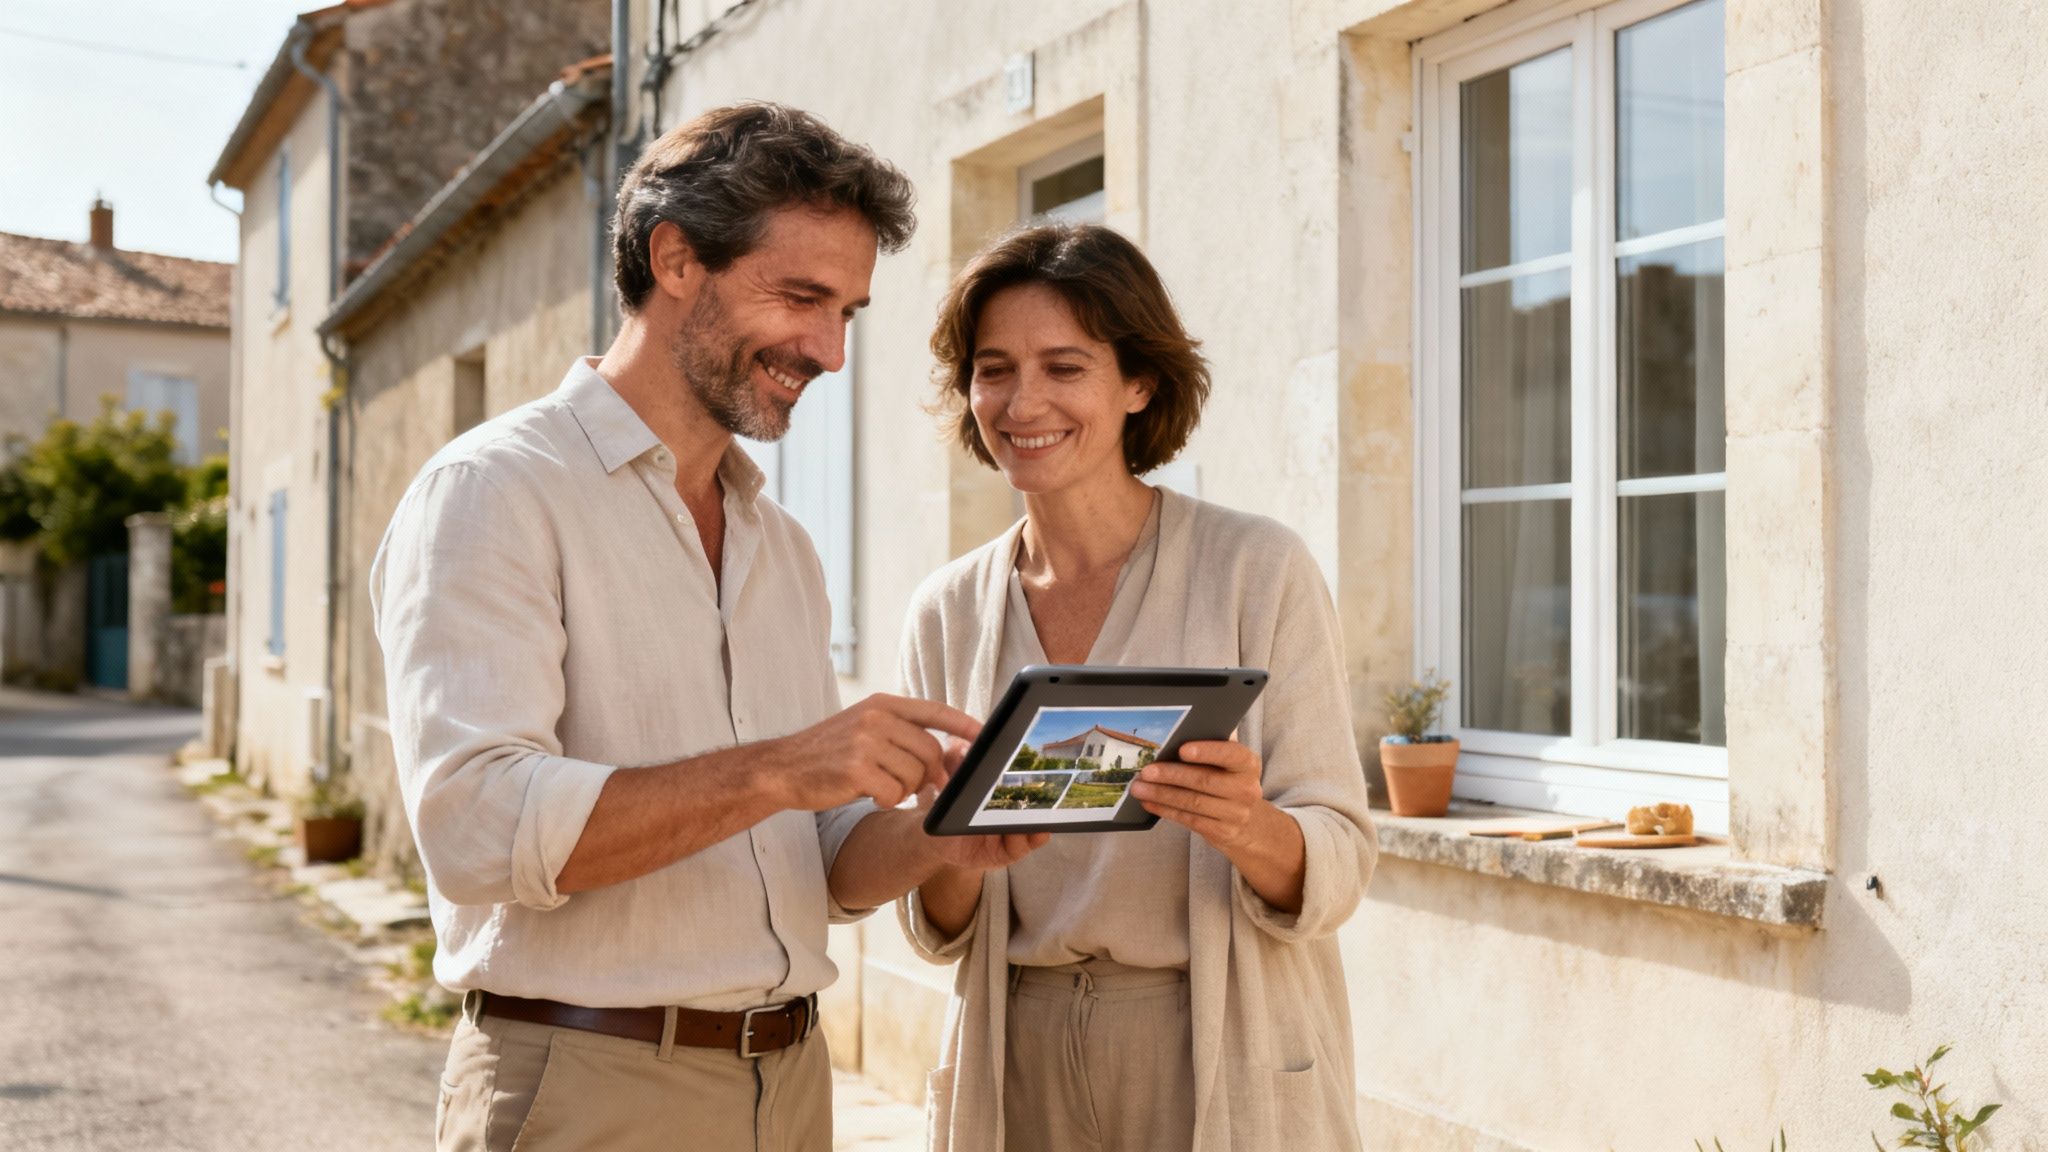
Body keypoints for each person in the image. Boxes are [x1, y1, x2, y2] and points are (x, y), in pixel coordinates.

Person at [371, 102, 983, 1152]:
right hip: (586, 1086)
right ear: (675, 259)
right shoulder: (494, 491)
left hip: (790, 1088)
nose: (829, 351)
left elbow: (817, 867)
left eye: (847, 312)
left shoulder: (780, 546)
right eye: (799, 297)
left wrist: (946, 830)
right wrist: (783, 768)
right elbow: (474, 825)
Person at [829, 222, 1378, 1151]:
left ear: (1139, 384)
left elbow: (1339, 862)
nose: (1022, 400)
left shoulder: (1258, 570)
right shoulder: (948, 610)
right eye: (994, 367)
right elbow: (940, 928)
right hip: (1018, 1049)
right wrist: (952, 846)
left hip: (1214, 1037)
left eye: (1065, 367)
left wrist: (1247, 825)